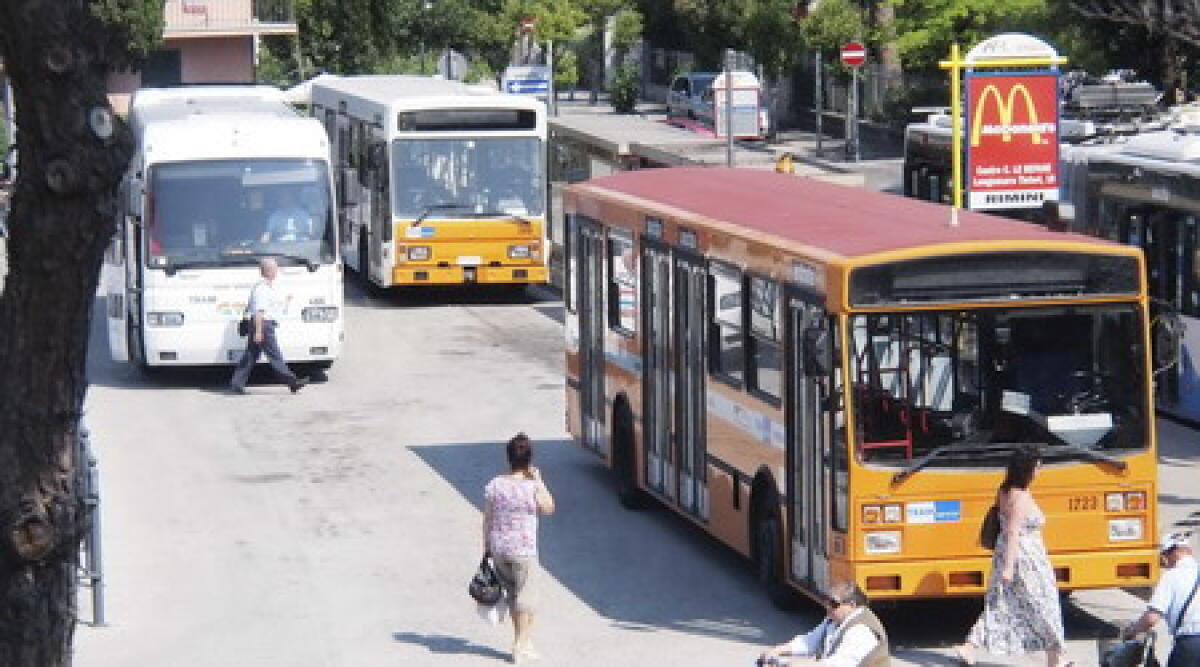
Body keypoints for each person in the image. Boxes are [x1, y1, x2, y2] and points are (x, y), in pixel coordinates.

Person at [955, 445, 1069, 667]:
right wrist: (1009, 567)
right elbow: (1013, 532)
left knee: (1000, 605)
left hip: (1007, 555)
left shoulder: (1004, 491)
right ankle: (1056, 658)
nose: (1039, 471)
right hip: (1025, 560)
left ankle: (969, 647)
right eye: (1037, 466)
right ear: (1027, 469)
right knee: (1045, 605)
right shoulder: (1021, 498)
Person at [482, 433, 555, 664]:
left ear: (509, 458)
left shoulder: (495, 484)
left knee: (514, 597)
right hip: (523, 550)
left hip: (499, 548)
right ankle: (520, 644)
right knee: (528, 600)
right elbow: (549, 507)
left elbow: (487, 517)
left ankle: (523, 643)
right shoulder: (532, 487)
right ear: (529, 460)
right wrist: (540, 481)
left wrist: (487, 546)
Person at [758, 580, 891, 666]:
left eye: (833, 603)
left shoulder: (861, 630)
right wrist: (780, 649)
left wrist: (802, 664)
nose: (827, 606)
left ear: (852, 604)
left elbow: (839, 664)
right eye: (826, 601)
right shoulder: (833, 620)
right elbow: (810, 641)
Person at [229, 257, 309, 394]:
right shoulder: (262, 289)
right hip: (263, 325)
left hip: (261, 324)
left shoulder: (264, 287)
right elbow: (259, 312)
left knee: (250, 355)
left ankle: (237, 383)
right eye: (275, 269)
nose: (277, 271)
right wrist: (259, 332)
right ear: (269, 271)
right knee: (275, 356)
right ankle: (292, 382)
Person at [1120, 531, 1200, 667]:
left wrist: (1133, 631)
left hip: (1191, 645)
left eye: (1164, 557)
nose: (1165, 562)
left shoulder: (1172, 576)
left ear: (1173, 553)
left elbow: (1152, 617)